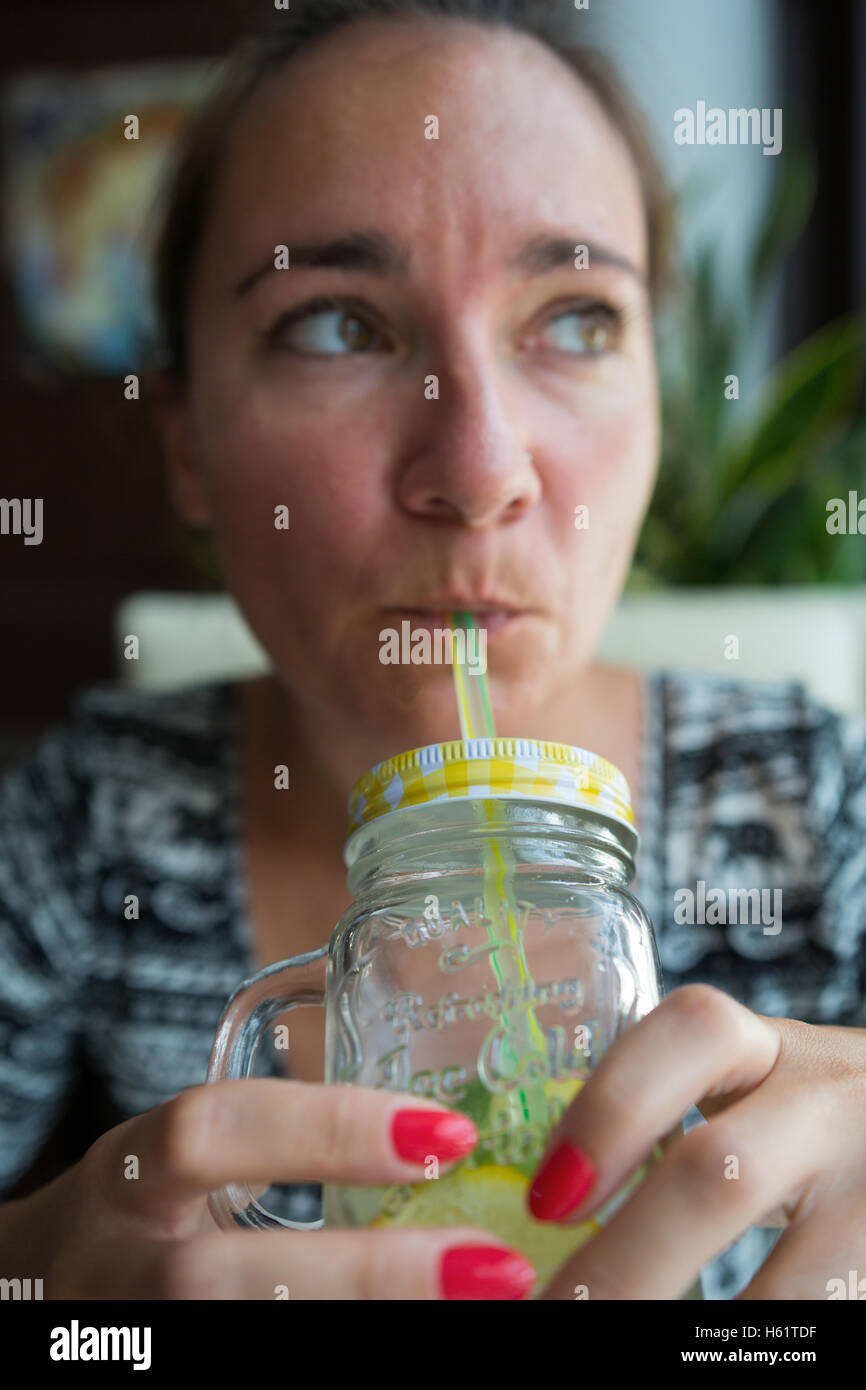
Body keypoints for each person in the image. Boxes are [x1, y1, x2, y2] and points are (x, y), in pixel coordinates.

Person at [1, 0, 864, 1301]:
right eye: (337, 324)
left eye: (574, 318)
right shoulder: (78, 833)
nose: (476, 471)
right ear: (185, 439)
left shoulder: (817, 805)